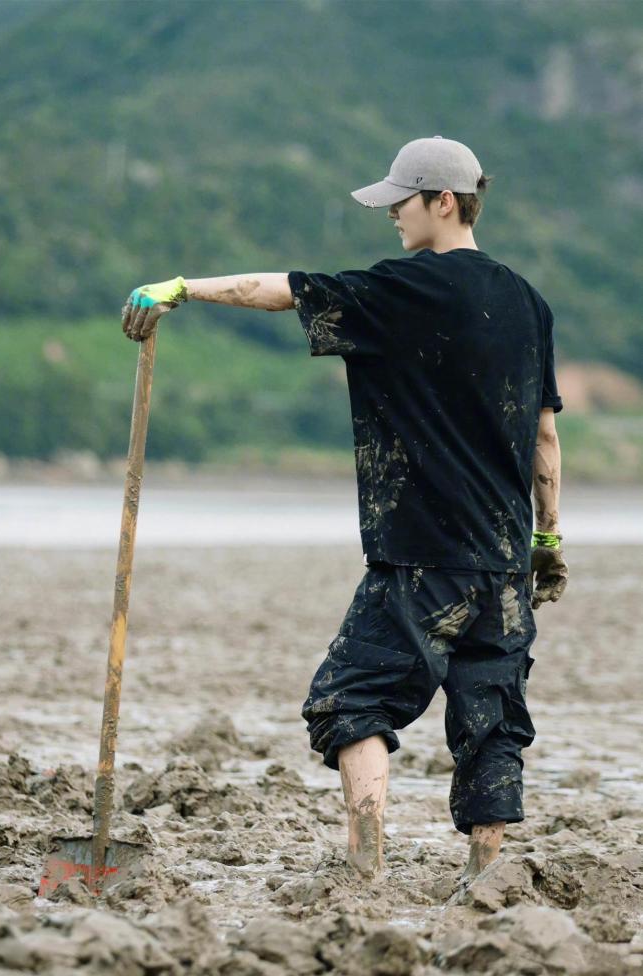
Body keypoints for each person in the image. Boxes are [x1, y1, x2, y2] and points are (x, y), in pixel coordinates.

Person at [121, 136, 569, 887]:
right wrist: (547, 538)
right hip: (502, 560)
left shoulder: (404, 289)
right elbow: (545, 439)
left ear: (444, 202)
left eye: (402, 199)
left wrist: (180, 288)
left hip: (420, 552)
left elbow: (284, 289)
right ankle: (483, 882)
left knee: (350, 700)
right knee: (491, 723)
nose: (391, 213)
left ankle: (365, 866)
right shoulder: (530, 303)